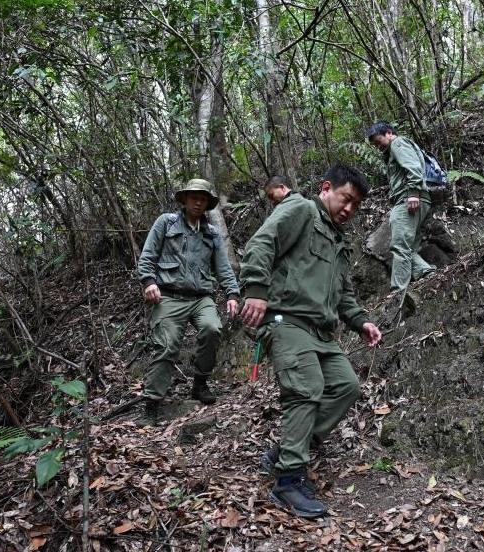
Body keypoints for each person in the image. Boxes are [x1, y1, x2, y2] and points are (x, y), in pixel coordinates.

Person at [239, 164, 383, 518]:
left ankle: (290, 448)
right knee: (307, 387)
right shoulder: (301, 209)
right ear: (326, 188)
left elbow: (344, 294)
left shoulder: (340, 243)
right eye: (346, 198)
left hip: (320, 332)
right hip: (285, 320)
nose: (349, 209)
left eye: (355, 205)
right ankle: (288, 481)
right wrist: (256, 290)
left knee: (346, 385)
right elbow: (262, 242)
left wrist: (361, 321)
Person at [136, 179, 240, 419]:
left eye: (203, 198)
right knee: (168, 344)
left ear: (207, 204)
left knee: (212, 329)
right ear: (184, 199)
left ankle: (200, 383)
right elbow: (148, 256)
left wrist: (232, 294)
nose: (198, 202)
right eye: (194, 197)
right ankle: (151, 403)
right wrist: (148, 281)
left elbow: (223, 269)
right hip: (169, 296)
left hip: (200, 297)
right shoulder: (166, 223)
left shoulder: (211, 234)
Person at [366, 122, 435, 293]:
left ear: (389, 133)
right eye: (374, 144)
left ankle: (398, 291)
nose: (377, 146)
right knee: (408, 247)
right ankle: (427, 273)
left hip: (409, 199)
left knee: (399, 245)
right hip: (417, 199)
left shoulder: (398, 143)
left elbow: (413, 167)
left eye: (378, 141)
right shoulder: (396, 148)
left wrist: (412, 193)